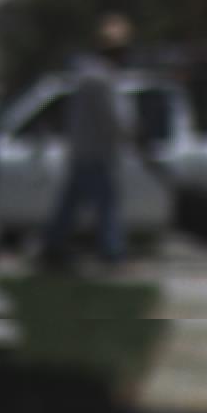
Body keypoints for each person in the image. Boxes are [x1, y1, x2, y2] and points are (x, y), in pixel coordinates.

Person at [42, 14, 135, 269]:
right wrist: (131, 133)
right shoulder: (102, 78)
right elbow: (115, 117)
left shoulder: (85, 74)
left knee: (71, 202)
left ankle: (53, 246)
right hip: (97, 153)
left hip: (82, 150)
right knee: (107, 204)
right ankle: (112, 253)